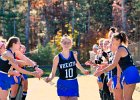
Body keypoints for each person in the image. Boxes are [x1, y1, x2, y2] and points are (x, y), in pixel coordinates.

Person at [94, 31, 140, 100]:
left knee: (127, 98)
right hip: (128, 72)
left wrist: (101, 72)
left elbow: (113, 65)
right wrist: (118, 81)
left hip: (129, 72)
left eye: (112, 39)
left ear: (118, 40)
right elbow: (118, 67)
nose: (111, 41)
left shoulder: (120, 49)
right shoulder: (118, 50)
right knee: (127, 98)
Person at [45, 34, 89, 100]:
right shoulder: (57, 58)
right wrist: (50, 78)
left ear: (71, 44)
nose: (66, 44)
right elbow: (53, 72)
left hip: (73, 82)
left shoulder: (74, 54)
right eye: (64, 43)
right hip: (62, 83)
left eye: (68, 43)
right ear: (61, 44)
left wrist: (84, 71)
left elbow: (77, 63)